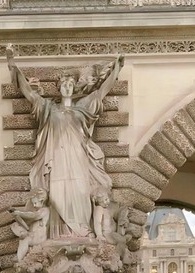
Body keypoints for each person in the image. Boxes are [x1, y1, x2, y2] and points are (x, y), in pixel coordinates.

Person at [7, 46, 123, 239]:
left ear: (74, 87)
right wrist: (13, 66)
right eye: (64, 85)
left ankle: (84, 232)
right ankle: (60, 234)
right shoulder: (49, 109)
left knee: (81, 194)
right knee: (57, 196)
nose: (67, 87)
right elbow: (29, 93)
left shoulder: (82, 110)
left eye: (70, 85)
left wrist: (117, 70)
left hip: (78, 159)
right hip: (57, 159)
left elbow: (101, 92)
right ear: (59, 88)